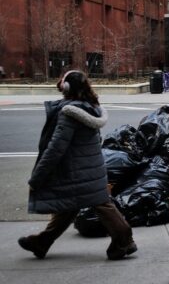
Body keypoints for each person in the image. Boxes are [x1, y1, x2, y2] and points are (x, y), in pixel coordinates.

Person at [18, 70, 136, 260]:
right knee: (71, 205)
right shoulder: (90, 107)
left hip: (76, 171)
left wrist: (38, 176)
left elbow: (56, 148)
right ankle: (42, 242)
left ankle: (124, 240)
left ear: (66, 87)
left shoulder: (69, 113)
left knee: (101, 204)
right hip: (91, 167)